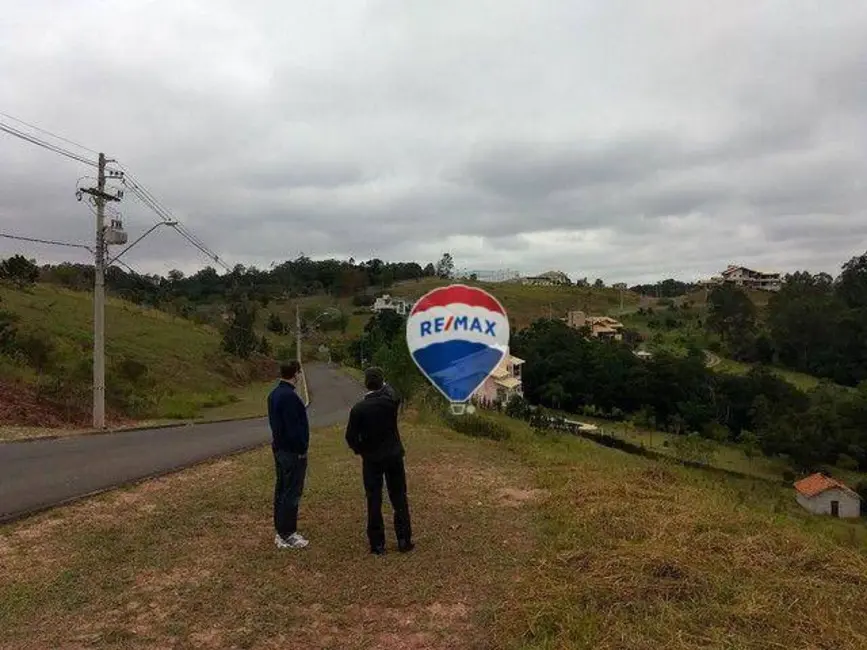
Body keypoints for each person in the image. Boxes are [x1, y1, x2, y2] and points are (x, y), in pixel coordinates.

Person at [345, 366, 413, 555]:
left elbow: (350, 437)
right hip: (393, 456)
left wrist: (361, 450)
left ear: (366, 384)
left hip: (372, 458)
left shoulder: (358, 409)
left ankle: (377, 544)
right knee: (399, 497)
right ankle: (404, 539)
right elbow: (393, 392)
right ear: (382, 383)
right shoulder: (391, 403)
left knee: (374, 500)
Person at [267, 360, 310, 549]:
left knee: (281, 490)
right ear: (296, 374)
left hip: (279, 448)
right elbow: (294, 429)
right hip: (292, 452)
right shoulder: (290, 398)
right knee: (291, 492)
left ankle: (280, 530)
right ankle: (287, 533)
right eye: (299, 373)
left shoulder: (274, 394)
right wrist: (301, 449)